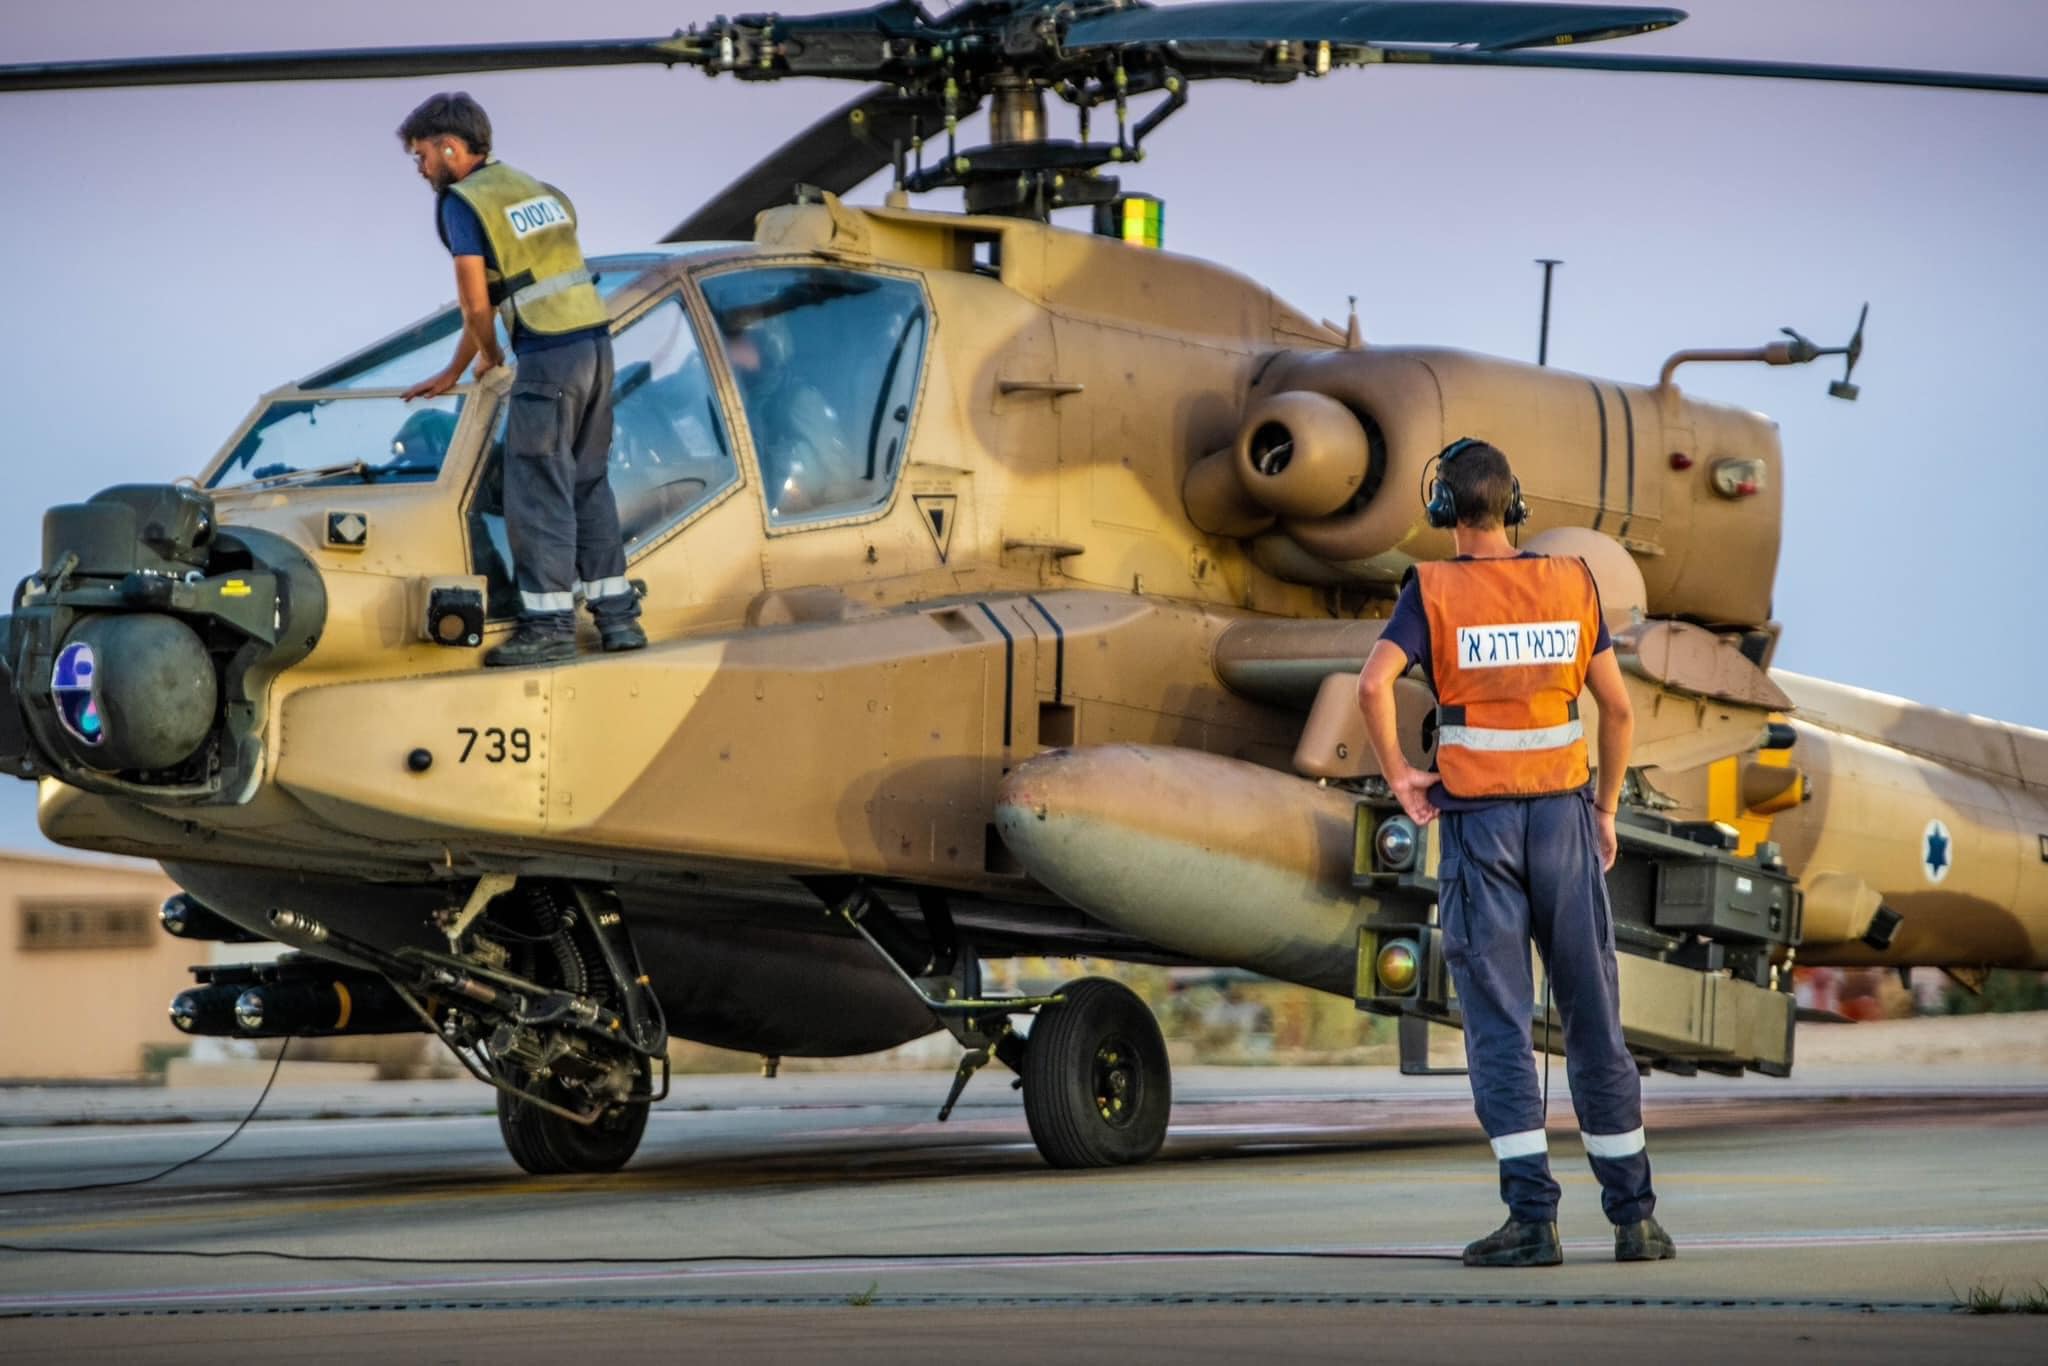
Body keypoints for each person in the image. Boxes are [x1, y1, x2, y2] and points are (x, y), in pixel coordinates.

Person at [1355, 438, 1674, 1268]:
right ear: (1514, 504)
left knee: (1499, 1021)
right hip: (1564, 824)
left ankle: (1533, 1221)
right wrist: (1604, 810)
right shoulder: (1572, 581)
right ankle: (1634, 1219)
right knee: (1594, 1017)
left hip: (1479, 830)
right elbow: (1619, 711)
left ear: (1442, 512)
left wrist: (1402, 777)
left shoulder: (1431, 591)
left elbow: (1371, 684)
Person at [396, 91, 644, 666]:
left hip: (550, 360)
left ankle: (549, 627)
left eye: (422, 155)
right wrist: (459, 366)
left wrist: (491, 357)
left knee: (536, 492)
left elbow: (475, 301)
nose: (421, 168)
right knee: (587, 484)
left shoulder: (461, 202)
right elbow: (519, 284)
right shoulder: (533, 189)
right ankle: (619, 622)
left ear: (451, 147)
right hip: (596, 348)